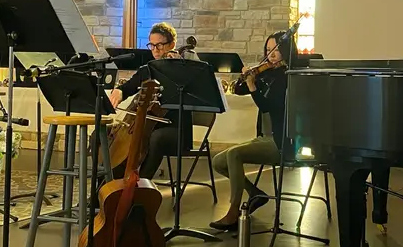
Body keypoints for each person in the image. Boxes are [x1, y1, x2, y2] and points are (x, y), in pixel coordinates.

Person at [209, 31, 296, 231]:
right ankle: (255, 192)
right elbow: (239, 91)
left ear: (285, 51)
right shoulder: (268, 73)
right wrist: (246, 78)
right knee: (218, 162)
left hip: (279, 141)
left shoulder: (286, 77)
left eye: (275, 50)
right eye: (268, 50)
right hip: (263, 138)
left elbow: (267, 106)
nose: (271, 55)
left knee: (234, 153)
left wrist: (253, 85)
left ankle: (234, 211)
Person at [108, 22, 198, 181]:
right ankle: (102, 187)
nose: (155, 50)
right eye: (152, 45)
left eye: (160, 45)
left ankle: (140, 187)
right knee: (101, 135)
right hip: (146, 125)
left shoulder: (186, 69)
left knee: (156, 138)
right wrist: (119, 92)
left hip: (176, 129)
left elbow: (198, 85)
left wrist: (180, 69)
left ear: (172, 44)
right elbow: (129, 86)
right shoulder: (149, 68)